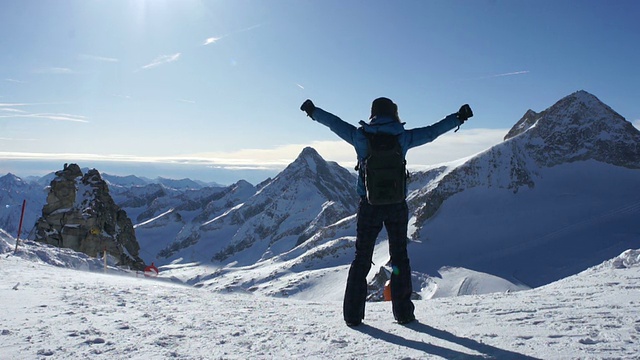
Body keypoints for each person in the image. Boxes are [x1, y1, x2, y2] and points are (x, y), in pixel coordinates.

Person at [300, 97, 472, 326]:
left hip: (369, 205)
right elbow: (432, 132)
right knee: (400, 258)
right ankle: (403, 313)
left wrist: (313, 111)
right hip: (396, 205)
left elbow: (335, 123)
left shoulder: (361, 136)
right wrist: (458, 117)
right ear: (394, 114)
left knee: (361, 259)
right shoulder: (402, 137)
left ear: (373, 114)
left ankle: (352, 316)